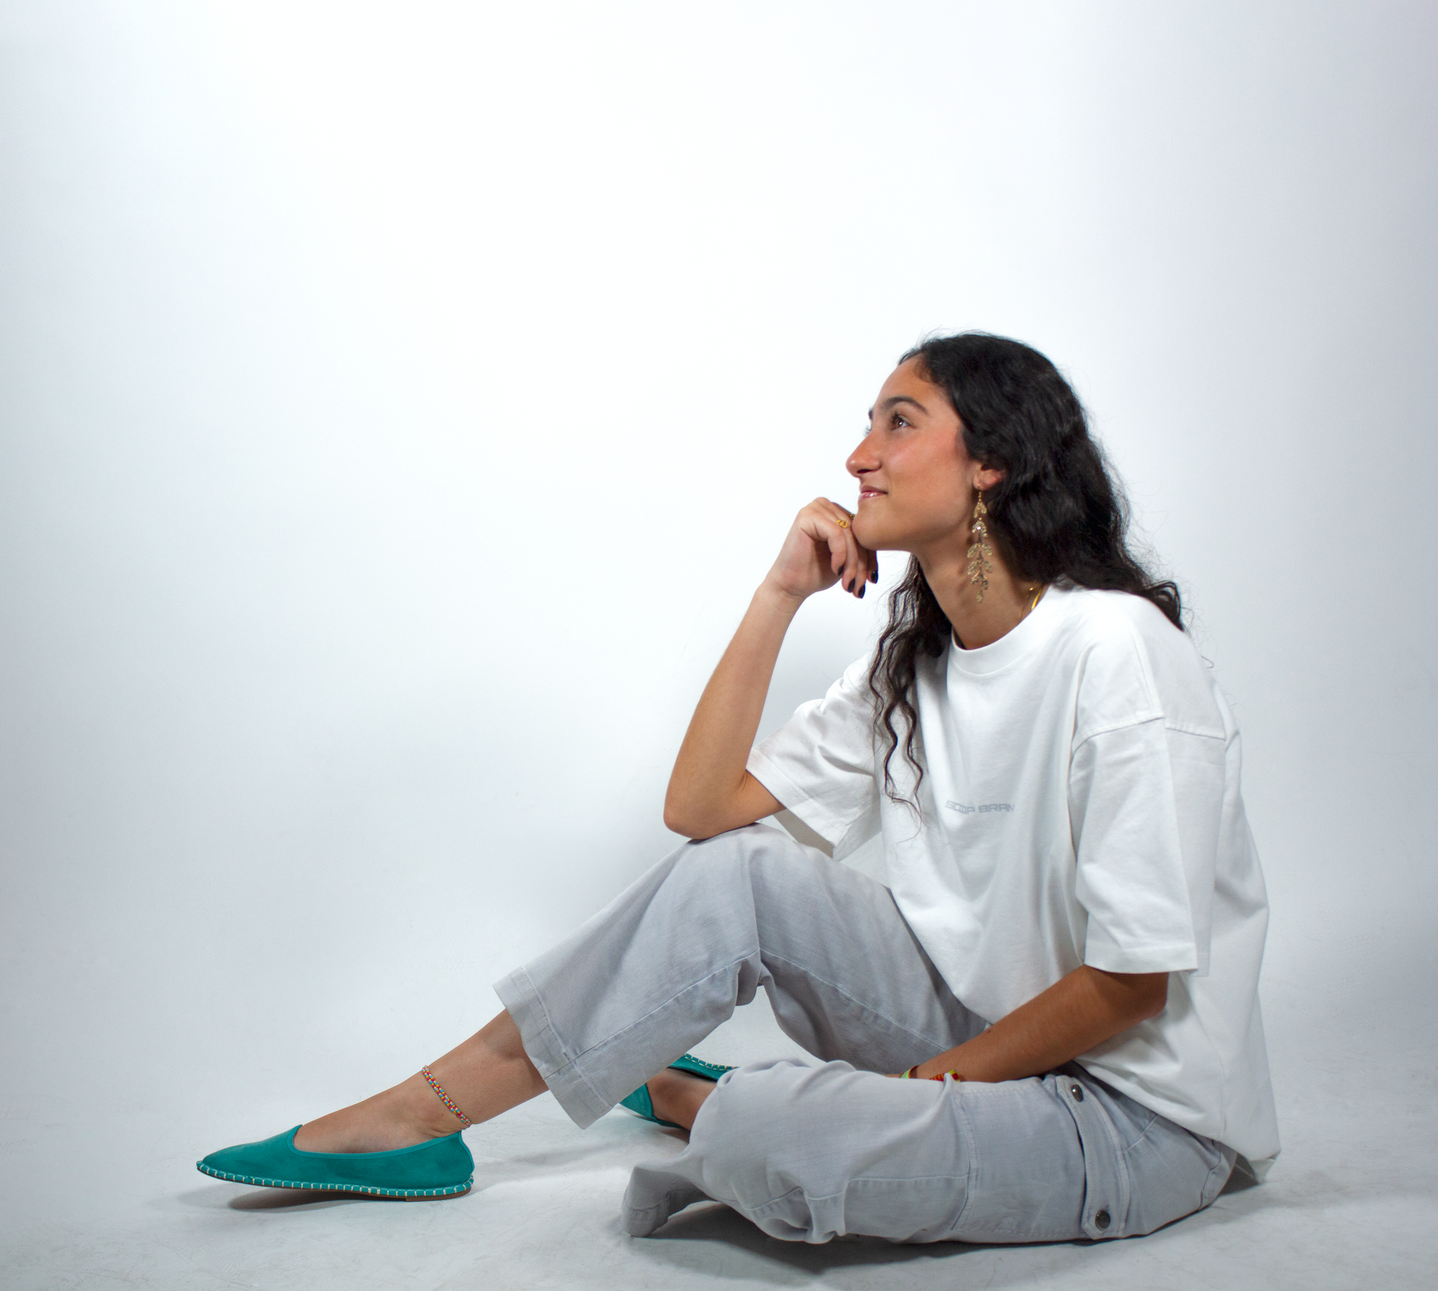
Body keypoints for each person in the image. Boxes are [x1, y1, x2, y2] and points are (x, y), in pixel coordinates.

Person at [198, 332, 1279, 1244]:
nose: (858, 455)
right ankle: (423, 1116)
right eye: (867, 425)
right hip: (980, 1037)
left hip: (1127, 1113)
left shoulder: (1115, 650)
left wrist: (914, 1094)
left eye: (898, 423)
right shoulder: (914, 666)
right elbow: (702, 812)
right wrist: (778, 593)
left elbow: (1129, 986)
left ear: (991, 460)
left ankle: (712, 1101)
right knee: (739, 872)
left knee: (779, 1135)